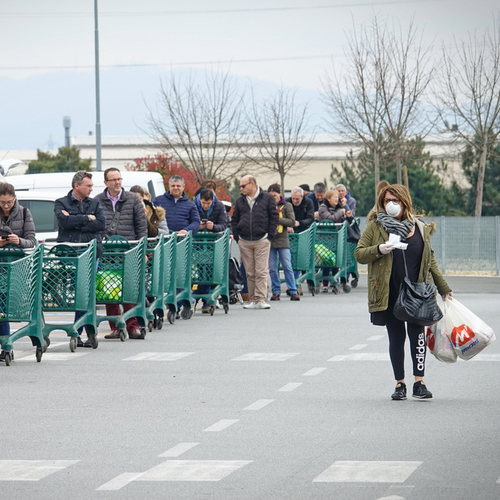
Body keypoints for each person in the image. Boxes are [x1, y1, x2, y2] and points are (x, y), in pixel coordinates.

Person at [354, 184, 453, 401]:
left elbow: (430, 260)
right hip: (389, 291)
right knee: (396, 337)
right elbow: (359, 253)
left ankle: (420, 383)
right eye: (387, 200)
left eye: (395, 200)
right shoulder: (376, 226)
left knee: (418, 336)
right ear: (382, 203)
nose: (391, 204)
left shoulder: (419, 227)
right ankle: (400, 383)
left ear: (404, 202)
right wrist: (379, 249)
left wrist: (444, 288)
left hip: (417, 293)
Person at [95, 168, 148, 340]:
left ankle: (133, 326)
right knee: (109, 289)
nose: (117, 182)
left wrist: (142, 250)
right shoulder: (97, 201)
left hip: (128, 251)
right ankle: (116, 326)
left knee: (128, 288)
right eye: (113, 180)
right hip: (107, 252)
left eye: (119, 179)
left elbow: (142, 227)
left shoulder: (132, 199)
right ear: (106, 183)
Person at [55, 171, 106, 347]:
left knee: (86, 292)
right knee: (81, 291)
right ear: (77, 186)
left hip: (92, 253)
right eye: (89, 186)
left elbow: (101, 224)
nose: (92, 189)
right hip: (71, 253)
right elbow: (64, 223)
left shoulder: (94, 202)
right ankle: (80, 331)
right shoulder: (61, 202)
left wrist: (76, 222)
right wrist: (87, 218)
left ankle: (82, 331)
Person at [231, 175, 279, 309]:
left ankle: (260, 299)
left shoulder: (267, 198)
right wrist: (237, 236)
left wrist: (270, 235)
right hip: (244, 240)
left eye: (243, 185)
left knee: (261, 270)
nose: (241, 188)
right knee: (249, 272)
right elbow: (234, 219)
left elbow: (274, 217)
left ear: (252, 184)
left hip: (262, 239)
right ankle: (252, 299)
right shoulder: (240, 200)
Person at [0, 182, 36, 358]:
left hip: (16, 268)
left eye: (9, 202)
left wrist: (18, 241)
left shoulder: (23, 212)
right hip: (0, 265)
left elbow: (32, 241)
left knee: (4, 306)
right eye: (2, 202)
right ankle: (6, 345)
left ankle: (7, 346)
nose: (6, 206)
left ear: (14, 198)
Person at [194, 188, 230, 313]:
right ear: (199, 199)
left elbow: (224, 224)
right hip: (197, 244)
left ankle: (204, 298)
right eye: (203, 203)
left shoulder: (219, 206)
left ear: (212, 200)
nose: (205, 206)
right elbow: (190, 223)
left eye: (208, 204)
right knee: (200, 271)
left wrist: (213, 227)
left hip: (213, 244)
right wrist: (198, 226)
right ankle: (205, 298)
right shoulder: (193, 205)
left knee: (210, 271)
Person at [267, 184, 299, 302]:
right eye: (270, 196)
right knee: (272, 268)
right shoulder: (266, 206)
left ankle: (293, 290)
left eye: (275, 195)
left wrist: (276, 219)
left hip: (282, 239)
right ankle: (276, 291)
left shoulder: (287, 205)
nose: (273, 198)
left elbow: (291, 221)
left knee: (287, 265)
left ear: (279, 194)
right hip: (270, 239)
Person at [318, 189, 353, 293]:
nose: (337, 199)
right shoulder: (323, 208)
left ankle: (335, 282)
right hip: (325, 238)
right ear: (328, 198)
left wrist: (349, 216)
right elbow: (330, 219)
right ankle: (325, 284)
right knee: (326, 260)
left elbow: (347, 220)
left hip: (337, 238)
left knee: (335, 260)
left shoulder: (339, 208)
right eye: (334, 197)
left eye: (337, 197)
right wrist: (340, 212)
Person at [286, 186, 314, 294]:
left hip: (303, 233)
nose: (295, 201)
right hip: (290, 234)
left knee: (298, 259)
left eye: (297, 199)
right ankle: (293, 283)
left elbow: (310, 218)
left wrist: (299, 223)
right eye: (293, 198)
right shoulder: (288, 203)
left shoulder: (308, 203)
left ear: (302, 197)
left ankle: (295, 283)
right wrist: (288, 224)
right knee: (291, 258)